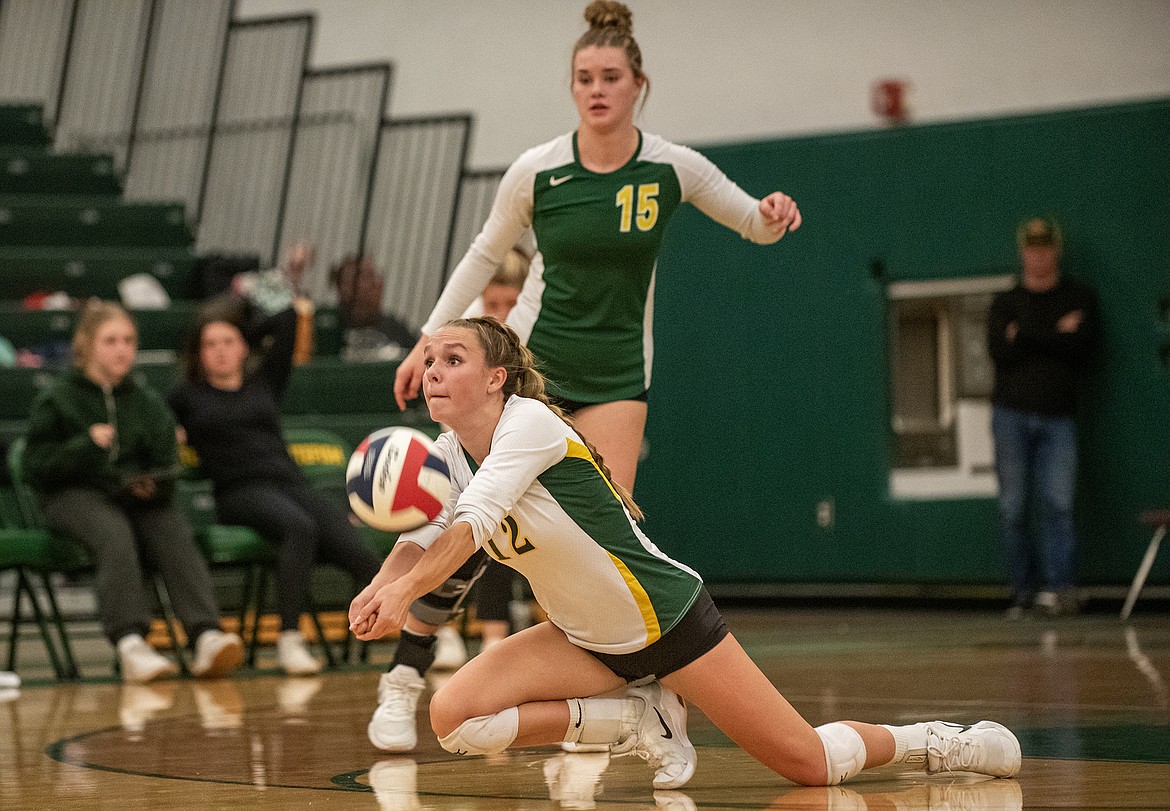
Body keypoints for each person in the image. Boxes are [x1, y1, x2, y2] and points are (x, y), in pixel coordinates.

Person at [352, 317, 1022, 790]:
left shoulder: (527, 424)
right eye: (429, 359)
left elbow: (468, 530)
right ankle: (635, 714)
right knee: (453, 718)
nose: (434, 370)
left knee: (810, 763)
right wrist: (380, 585)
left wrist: (403, 594)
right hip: (582, 639)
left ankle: (937, 741)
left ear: (497, 377)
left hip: (665, 620)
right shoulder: (443, 455)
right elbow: (420, 536)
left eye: (452, 357)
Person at [393, 0, 802, 496]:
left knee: (605, 539)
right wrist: (428, 342)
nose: (597, 90)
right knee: (492, 508)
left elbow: (754, 223)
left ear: (638, 84)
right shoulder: (537, 171)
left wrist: (773, 214)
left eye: (610, 77)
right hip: (530, 366)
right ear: (572, 88)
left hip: (617, 374)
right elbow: (482, 255)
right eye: (584, 79)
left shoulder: (671, 167)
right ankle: (455, 560)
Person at [364, 249, 534, 752]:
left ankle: (594, 707)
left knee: (505, 536)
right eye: (492, 301)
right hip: (477, 503)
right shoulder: (456, 409)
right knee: (457, 536)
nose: (501, 311)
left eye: (512, 301)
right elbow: (431, 526)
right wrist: (382, 589)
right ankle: (402, 678)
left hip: (542, 497)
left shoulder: (533, 402)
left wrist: (399, 588)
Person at [22, 300, 244, 683]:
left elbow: (167, 461)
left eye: (128, 340)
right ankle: (130, 644)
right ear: (87, 345)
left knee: (172, 530)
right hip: (72, 495)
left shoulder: (146, 402)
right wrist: (84, 445)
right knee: (113, 534)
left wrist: (154, 484)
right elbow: (35, 467)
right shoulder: (58, 398)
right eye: (111, 340)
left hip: (132, 496)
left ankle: (206, 634)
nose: (122, 349)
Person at [169, 291, 383, 675]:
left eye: (228, 342)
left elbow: (287, 319)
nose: (219, 351)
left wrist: (244, 328)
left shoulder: (263, 382)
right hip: (238, 491)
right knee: (298, 528)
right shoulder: (186, 396)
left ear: (243, 346)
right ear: (198, 353)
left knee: (353, 546)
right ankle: (289, 639)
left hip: (290, 484)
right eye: (210, 344)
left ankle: (425, 629)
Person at [987, 217, 1098, 619]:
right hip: (1010, 416)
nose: (1039, 254)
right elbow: (1000, 353)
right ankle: (1023, 594)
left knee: (1059, 504)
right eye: (1032, 247)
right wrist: (1055, 333)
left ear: (1057, 250)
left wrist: (1027, 335)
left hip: (1059, 418)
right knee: (1013, 508)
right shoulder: (1005, 303)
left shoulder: (1080, 297)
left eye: (1046, 246)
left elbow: (1082, 349)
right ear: (1022, 251)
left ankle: (1061, 590)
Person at [330, 254, 416, 361]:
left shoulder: (396, 328)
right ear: (345, 289)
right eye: (368, 277)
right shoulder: (329, 328)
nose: (377, 283)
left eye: (376, 276)